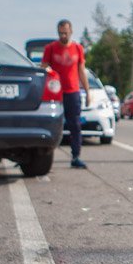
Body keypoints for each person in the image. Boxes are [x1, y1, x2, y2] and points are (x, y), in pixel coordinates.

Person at [42, 18, 90, 169]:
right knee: (51, 124)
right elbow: (44, 69)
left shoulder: (78, 48)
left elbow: (81, 71)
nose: (63, 35)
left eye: (66, 32)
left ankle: (76, 156)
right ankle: (40, 156)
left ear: (71, 31)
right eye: (61, 33)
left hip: (73, 92)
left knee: (75, 124)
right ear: (58, 32)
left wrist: (88, 92)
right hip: (55, 94)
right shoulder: (50, 48)